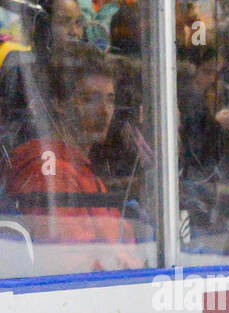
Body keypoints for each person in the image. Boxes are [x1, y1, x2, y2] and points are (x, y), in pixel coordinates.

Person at [3, 43, 142, 270]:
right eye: (89, 99)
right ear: (59, 104)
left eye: (110, 98)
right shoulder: (49, 170)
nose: (104, 111)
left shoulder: (80, 168)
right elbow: (69, 264)